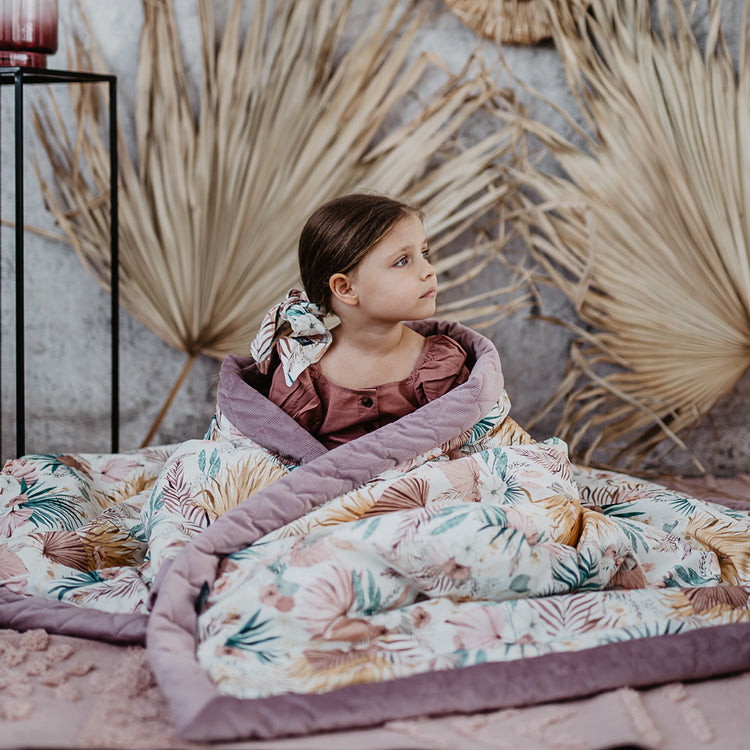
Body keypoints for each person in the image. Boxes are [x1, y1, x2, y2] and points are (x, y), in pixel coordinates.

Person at [250, 192, 470, 448]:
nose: (429, 270)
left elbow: (464, 446)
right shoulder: (301, 375)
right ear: (346, 289)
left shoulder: (441, 364)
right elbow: (281, 456)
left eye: (424, 253)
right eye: (402, 261)